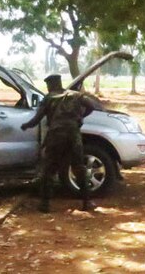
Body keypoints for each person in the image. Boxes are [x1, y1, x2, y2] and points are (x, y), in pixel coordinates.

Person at [20, 74, 98, 213]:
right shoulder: (76, 95)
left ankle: (45, 204)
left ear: (51, 85)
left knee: (49, 168)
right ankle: (87, 201)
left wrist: (25, 125)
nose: (47, 88)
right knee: (78, 167)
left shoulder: (49, 98)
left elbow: (36, 119)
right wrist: (79, 117)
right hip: (73, 135)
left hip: (56, 136)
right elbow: (91, 105)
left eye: (48, 85)